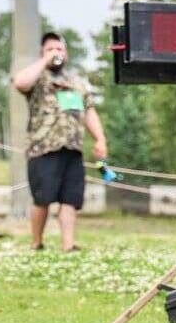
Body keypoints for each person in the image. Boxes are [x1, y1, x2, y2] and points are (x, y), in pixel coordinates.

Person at [12, 32, 108, 252]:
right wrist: (44, 61)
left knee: (70, 199)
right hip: (43, 148)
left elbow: (90, 111)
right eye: (50, 49)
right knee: (42, 199)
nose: (56, 53)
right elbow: (21, 83)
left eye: (60, 49)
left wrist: (100, 139)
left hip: (72, 149)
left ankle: (68, 245)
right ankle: (36, 242)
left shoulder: (76, 83)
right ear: (42, 54)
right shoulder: (38, 77)